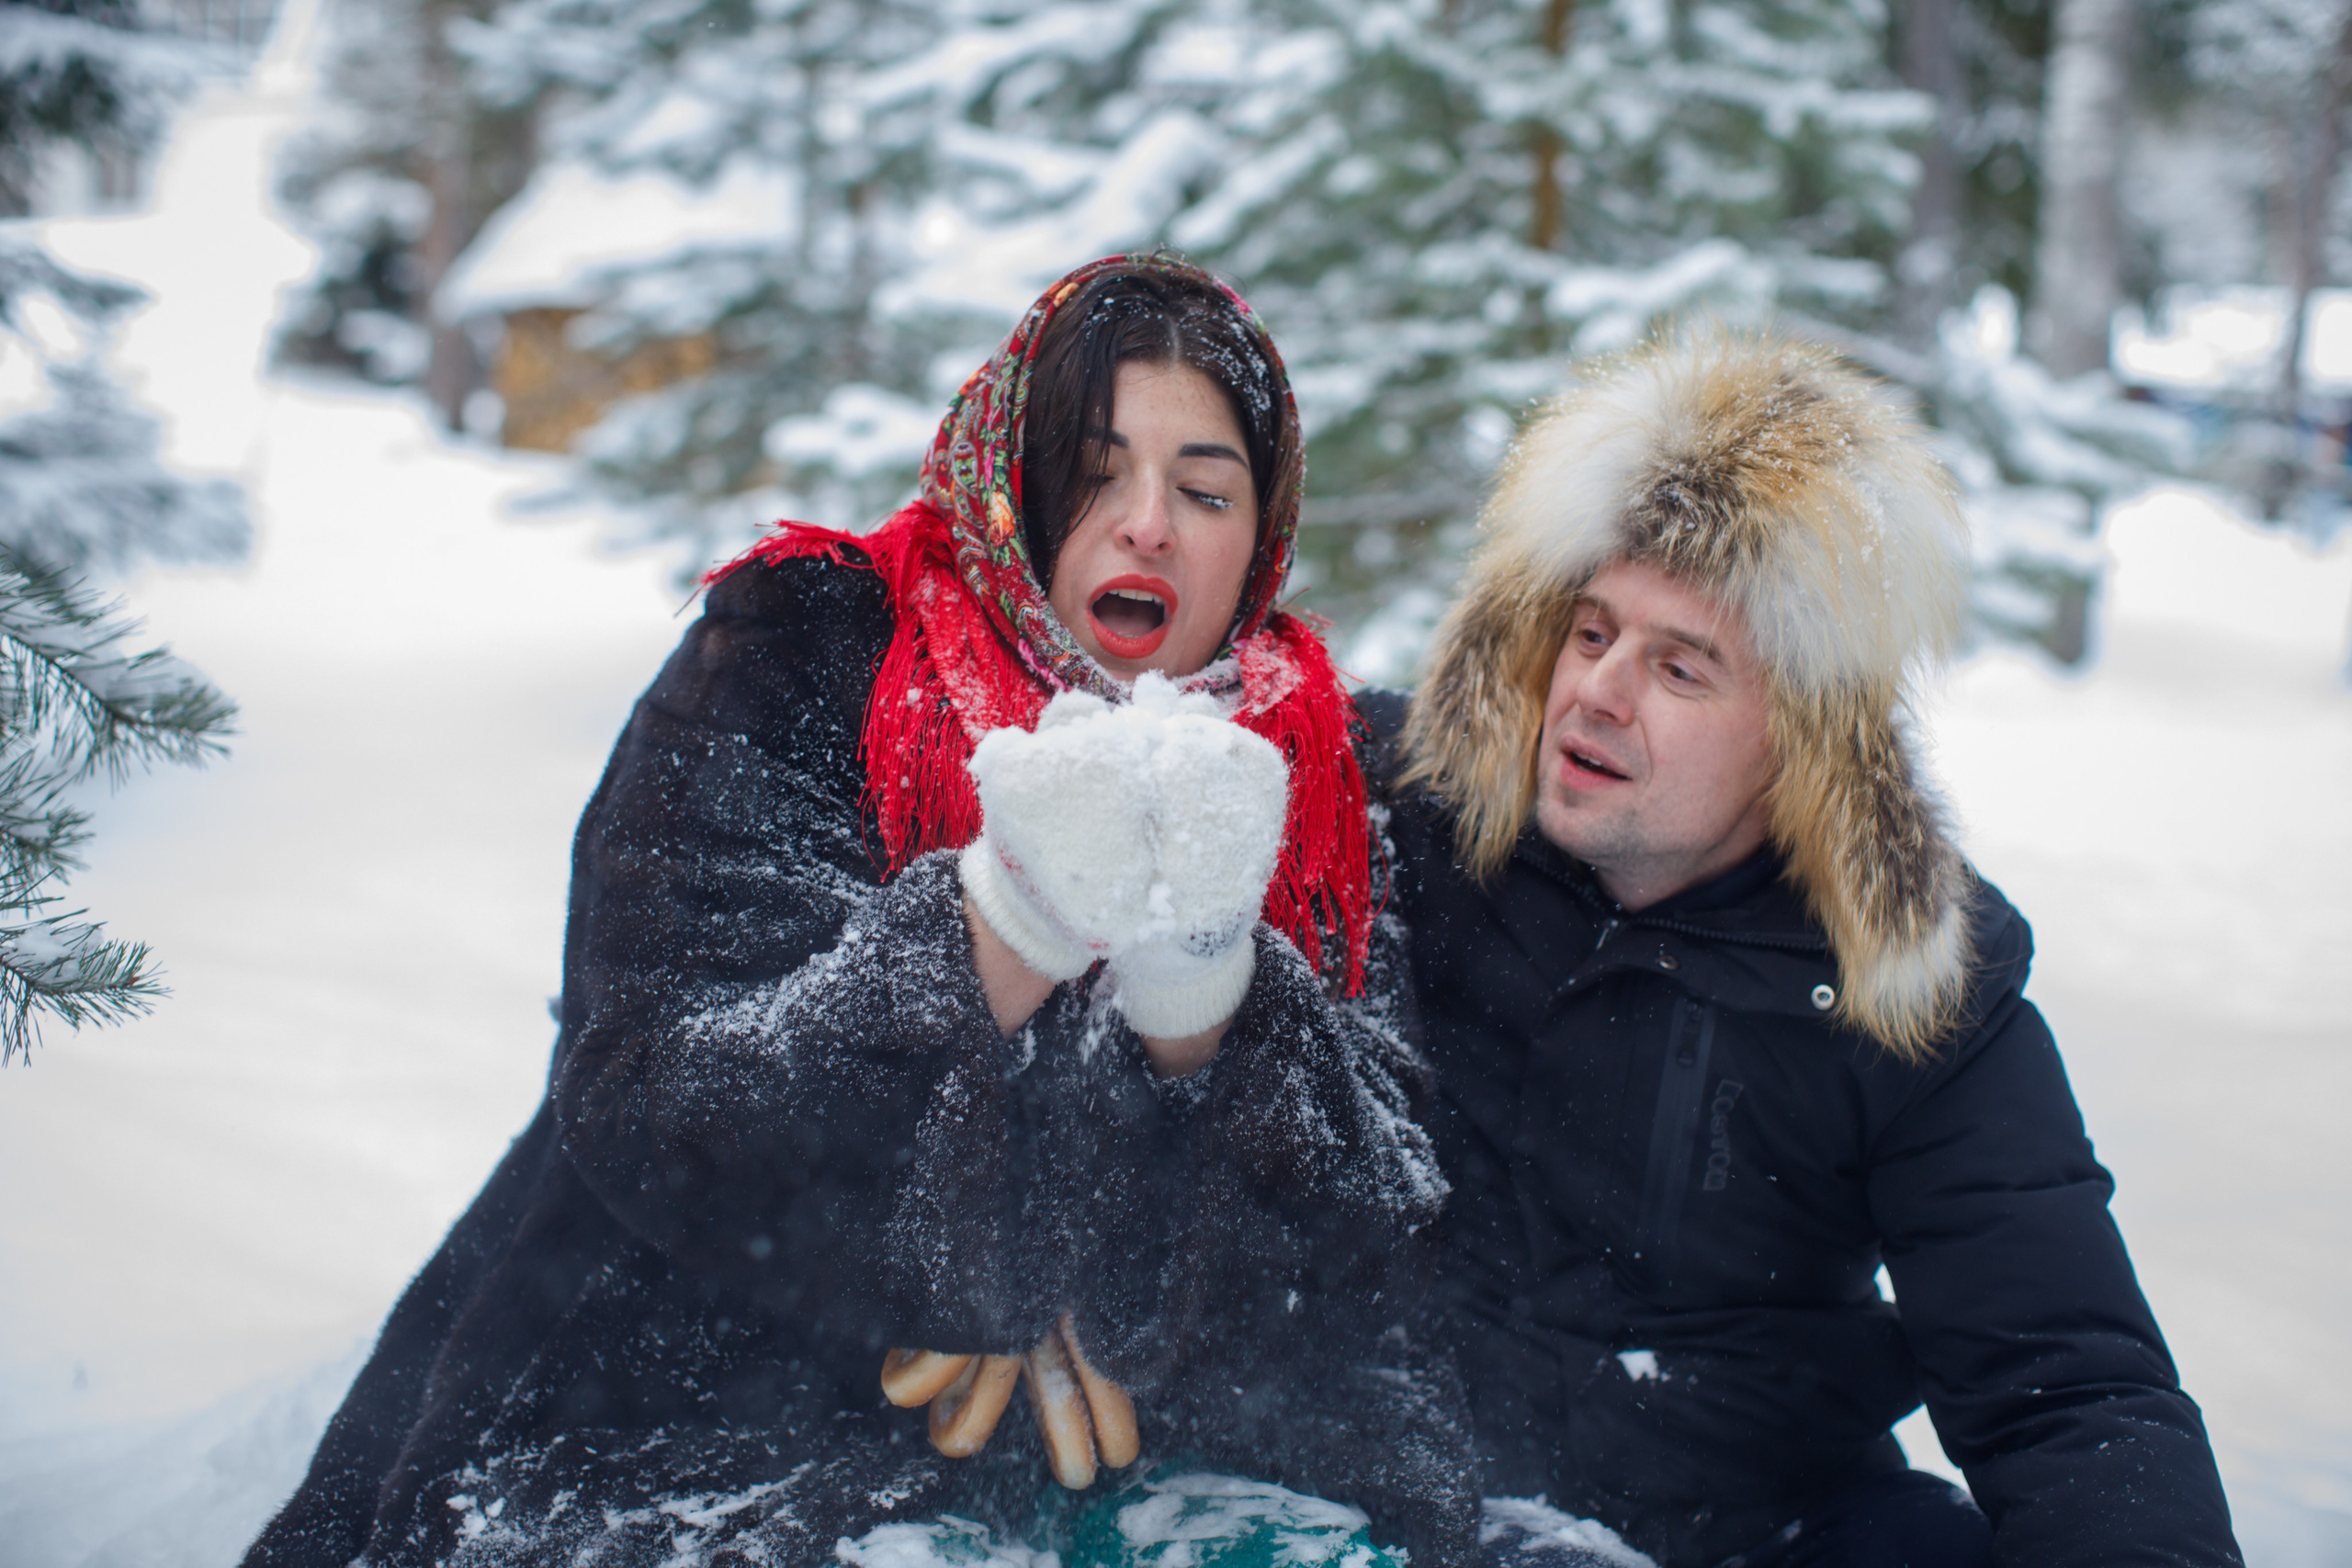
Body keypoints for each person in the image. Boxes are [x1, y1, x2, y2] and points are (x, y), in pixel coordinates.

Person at [243, 254, 1475, 1568]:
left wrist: (1200, 996)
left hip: (1156, 1460)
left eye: (1205, 490)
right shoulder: (804, 654)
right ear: (1012, 475)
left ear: (1263, 535)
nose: (1149, 525)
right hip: (702, 1411)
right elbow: (663, 1101)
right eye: (1097, 468)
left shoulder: (1321, 773)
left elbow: (1370, 1215)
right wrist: (1007, 928)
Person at [1359, 330, 2245, 1567]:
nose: (1599, 692)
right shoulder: (1400, 820)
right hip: (1406, 1494)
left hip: (1758, 1523)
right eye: (1594, 630)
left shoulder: (1910, 985)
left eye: (1682, 666)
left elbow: (2067, 1391)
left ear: (1800, 742)